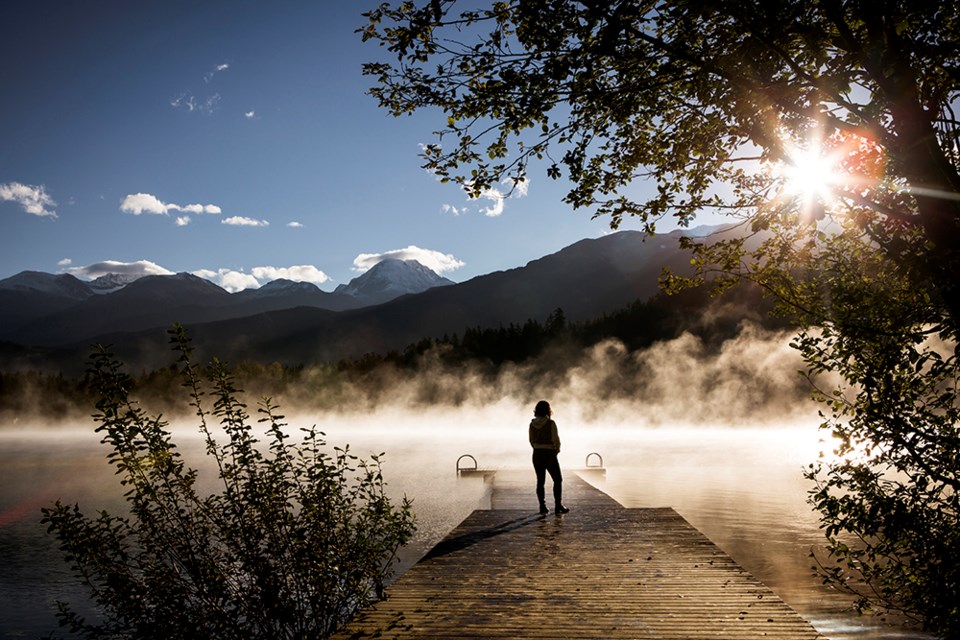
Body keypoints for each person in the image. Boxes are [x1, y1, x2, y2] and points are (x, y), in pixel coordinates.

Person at [529, 400, 569, 515]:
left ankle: (542, 506)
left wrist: (537, 448)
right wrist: (556, 451)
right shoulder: (551, 423)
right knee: (557, 479)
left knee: (540, 481)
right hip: (549, 453)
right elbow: (556, 439)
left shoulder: (532, 424)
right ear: (548, 410)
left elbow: (531, 440)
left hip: (537, 453)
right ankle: (558, 505)